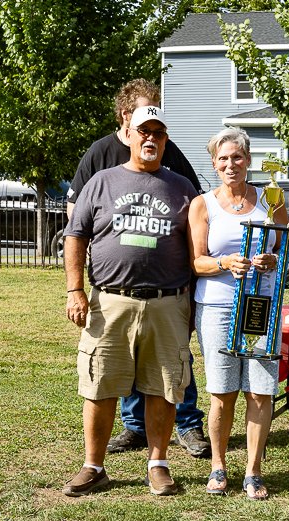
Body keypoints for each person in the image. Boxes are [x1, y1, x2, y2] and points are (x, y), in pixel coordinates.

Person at [67, 79, 209, 459]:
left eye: (158, 131)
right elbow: (75, 225)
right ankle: (122, 439)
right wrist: (76, 286)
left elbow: (196, 219)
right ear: (126, 122)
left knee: (169, 376)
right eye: (143, 127)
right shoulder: (100, 161)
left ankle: (184, 429)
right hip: (113, 294)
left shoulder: (176, 172)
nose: (151, 137)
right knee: (108, 377)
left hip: (167, 298)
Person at [187, 127, 286, 500]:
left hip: (262, 306)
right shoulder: (203, 205)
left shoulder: (272, 199)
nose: (231, 164)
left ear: (248, 160)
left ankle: (253, 471)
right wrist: (225, 262)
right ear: (214, 163)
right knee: (222, 391)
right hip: (218, 306)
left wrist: (273, 259)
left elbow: (285, 248)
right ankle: (218, 465)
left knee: (260, 391)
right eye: (223, 158)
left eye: (238, 157)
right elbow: (196, 262)